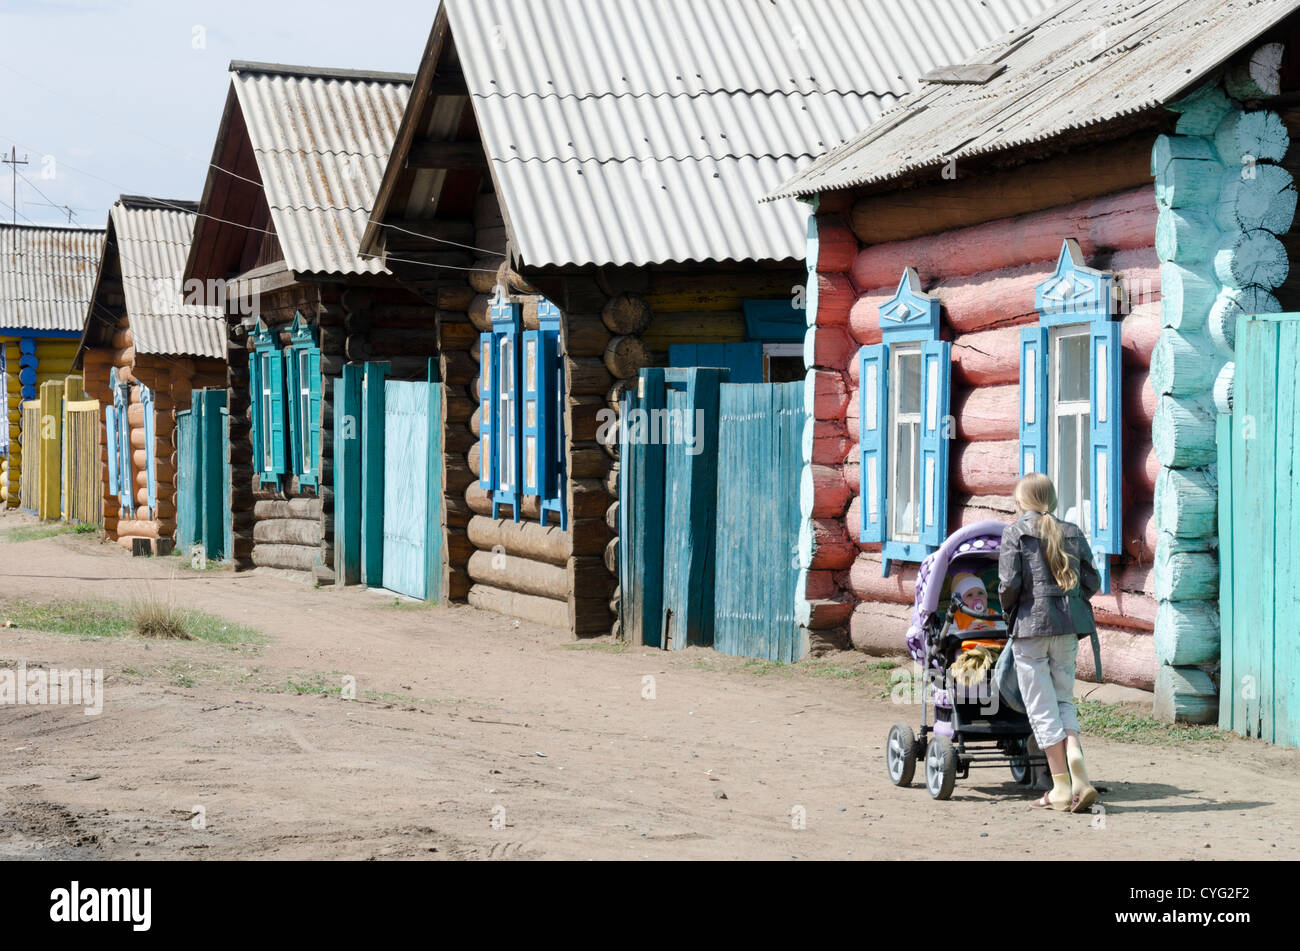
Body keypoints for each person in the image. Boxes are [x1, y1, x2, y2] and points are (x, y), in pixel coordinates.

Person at [998, 473, 1101, 813]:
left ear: (1021, 503)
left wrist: (1011, 613)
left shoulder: (1015, 532)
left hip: (1030, 631)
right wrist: (1069, 601)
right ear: (1052, 500)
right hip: (1068, 629)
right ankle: (1078, 770)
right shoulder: (1071, 531)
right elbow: (1092, 580)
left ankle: (1060, 787)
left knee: (1042, 710)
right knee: (1063, 702)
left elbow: (1008, 584)